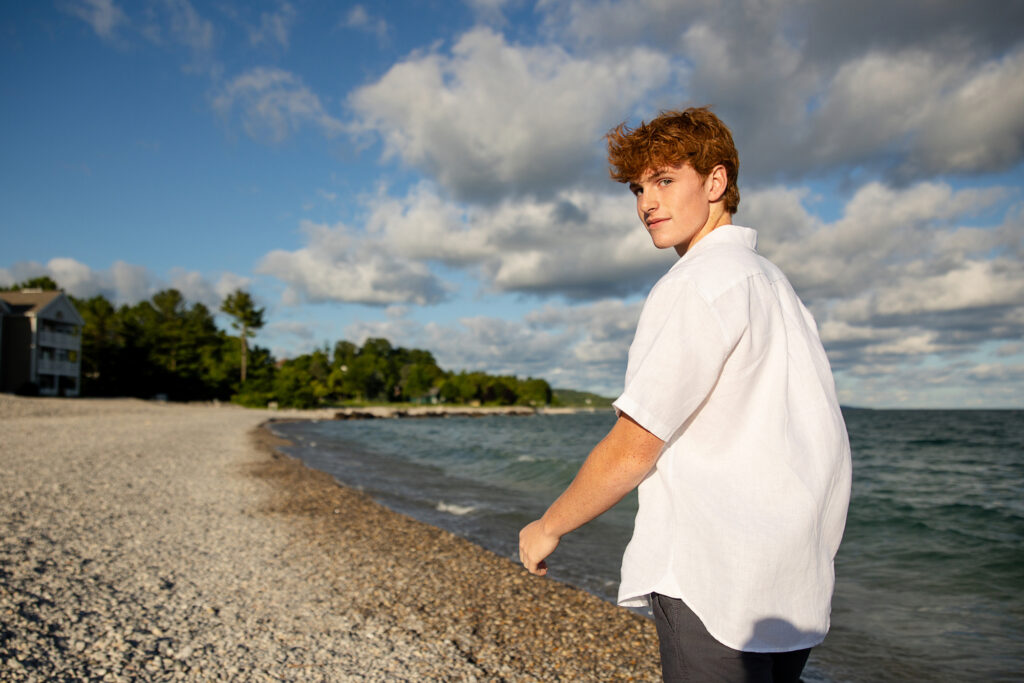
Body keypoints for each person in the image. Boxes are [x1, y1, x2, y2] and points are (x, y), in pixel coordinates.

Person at [518, 107, 852, 682]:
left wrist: (549, 525)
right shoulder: (774, 283)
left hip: (714, 573)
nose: (647, 202)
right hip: (791, 578)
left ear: (715, 182)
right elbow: (821, 436)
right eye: (638, 187)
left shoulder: (696, 283)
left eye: (666, 181)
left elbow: (634, 445)